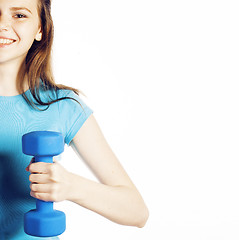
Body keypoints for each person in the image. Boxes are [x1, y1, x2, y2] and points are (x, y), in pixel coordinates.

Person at [0, 0, 149, 239]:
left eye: (19, 15)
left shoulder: (63, 107)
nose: (2, 24)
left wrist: (70, 186)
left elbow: (137, 211)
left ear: (41, 29)